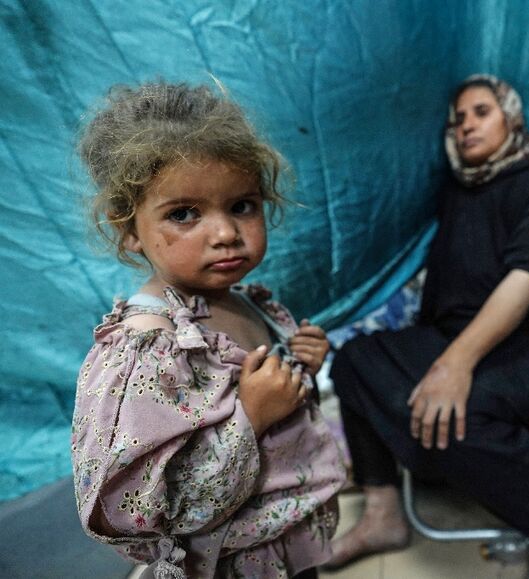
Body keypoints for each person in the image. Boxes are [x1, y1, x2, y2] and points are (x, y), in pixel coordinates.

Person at [71, 81, 346, 578]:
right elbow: (147, 510)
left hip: (281, 544)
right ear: (129, 229)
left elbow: (270, 386)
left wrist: (298, 362)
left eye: (242, 205)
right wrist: (252, 418)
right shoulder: (146, 348)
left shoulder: (245, 301)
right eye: (183, 214)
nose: (224, 234)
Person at [327, 75, 529, 578]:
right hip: (447, 335)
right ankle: (383, 515)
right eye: (458, 119)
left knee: (456, 414)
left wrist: (455, 365)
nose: (466, 125)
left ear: (511, 118)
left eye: (481, 112)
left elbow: (523, 281)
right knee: (355, 363)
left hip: (522, 344)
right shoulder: (458, 191)